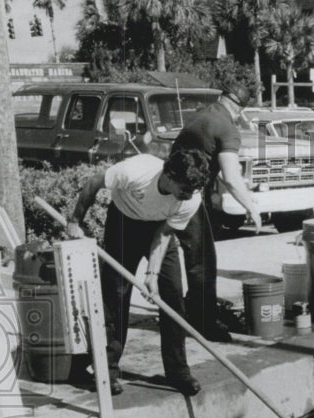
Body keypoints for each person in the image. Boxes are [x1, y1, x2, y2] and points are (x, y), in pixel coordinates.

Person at [67, 148, 211, 396]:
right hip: (123, 223)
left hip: (158, 229)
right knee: (116, 296)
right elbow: (93, 183)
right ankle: (107, 371)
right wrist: (75, 220)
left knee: (173, 296)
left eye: (192, 191)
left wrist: (152, 275)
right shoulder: (136, 171)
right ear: (169, 174)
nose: (188, 196)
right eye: (184, 189)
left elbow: (165, 233)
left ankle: (178, 372)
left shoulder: (191, 200)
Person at [171, 88, 263, 343]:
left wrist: (242, 188)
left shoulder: (201, 116)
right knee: (203, 263)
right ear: (240, 109)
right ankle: (203, 324)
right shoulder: (227, 127)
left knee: (189, 258)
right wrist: (251, 208)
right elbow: (232, 179)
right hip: (187, 196)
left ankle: (191, 310)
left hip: (171, 187)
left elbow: (220, 168)